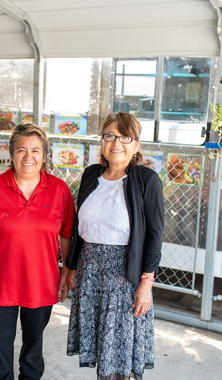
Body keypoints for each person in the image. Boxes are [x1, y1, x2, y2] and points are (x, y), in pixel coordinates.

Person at [0, 123, 75, 380]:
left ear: (45, 156)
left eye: (35, 150)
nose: (28, 157)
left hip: (41, 282)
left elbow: (66, 237)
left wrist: (66, 273)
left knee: (33, 349)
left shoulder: (59, 190)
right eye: (21, 150)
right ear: (11, 153)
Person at [66, 112, 165, 380]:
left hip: (125, 279)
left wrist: (146, 284)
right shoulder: (90, 175)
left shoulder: (146, 180)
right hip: (90, 273)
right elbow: (80, 228)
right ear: (102, 141)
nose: (116, 143)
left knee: (120, 360)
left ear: (136, 145)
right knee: (103, 353)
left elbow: (155, 235)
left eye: (125, 137)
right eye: (110, 135)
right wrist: (71, 268)